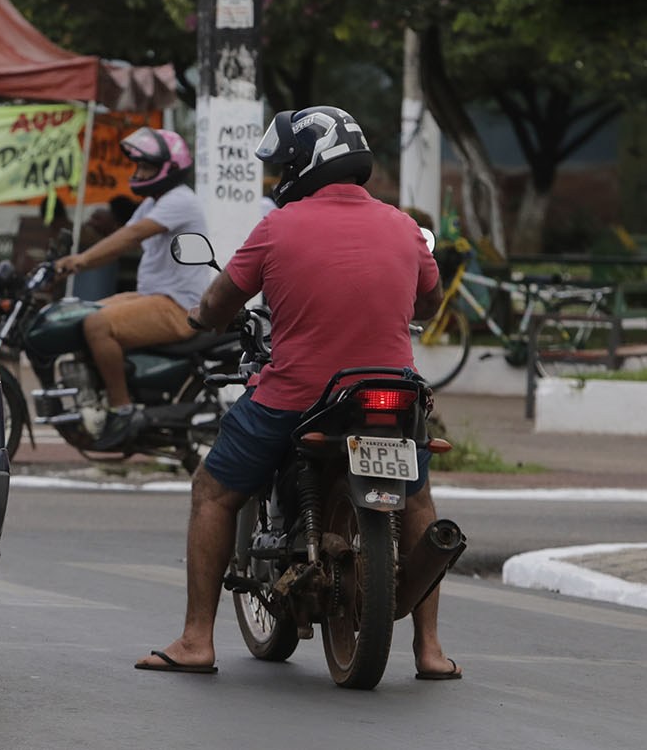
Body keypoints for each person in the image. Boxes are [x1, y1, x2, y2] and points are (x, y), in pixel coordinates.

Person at [135, 105, 459, 680]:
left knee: (212, 490)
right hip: (392, 396)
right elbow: (430, 304)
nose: (280, 176)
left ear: (306, 165)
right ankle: (430, 650)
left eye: (285, 164)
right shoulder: (404, 226)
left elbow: (218, 302)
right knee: (418, 504)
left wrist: (201, 320)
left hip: (298, 397)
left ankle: (195, 640)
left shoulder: (278, 227)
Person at [54, 127, 212, 448]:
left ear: (170, 168)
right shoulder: (153, 202)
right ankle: (92, 397)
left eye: (147, 167)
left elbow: (131, 236)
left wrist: (82, 260)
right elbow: (122, 234)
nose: (139, 174)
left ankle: (122, 408)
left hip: (178, 307)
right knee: (79, 314)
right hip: (152, 297)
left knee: (97, 325)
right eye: (138, 166)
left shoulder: (179, 200)